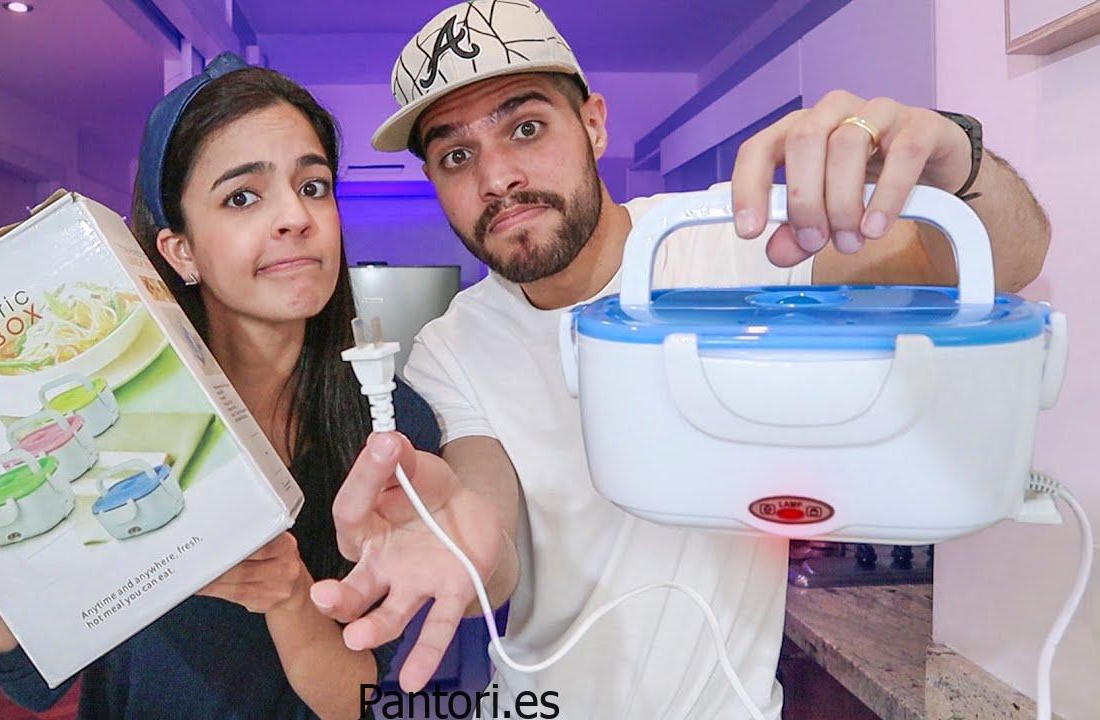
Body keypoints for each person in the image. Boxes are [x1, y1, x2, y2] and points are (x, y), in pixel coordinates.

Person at [308, 2, 1051, 717]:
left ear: (593, 123)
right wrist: (459, 546)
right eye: (456, 155)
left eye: (526, 127)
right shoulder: (452, 346)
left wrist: (957, 158)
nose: (496, 177)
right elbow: (489, 531)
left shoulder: (737, 244)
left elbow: (1005, 260)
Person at [0, 53, 439, 720]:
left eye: (313, 186)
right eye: (243, 196)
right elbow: (29, 679)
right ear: (180, 251)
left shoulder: (392, 426)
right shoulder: (116, 416)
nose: (295, 216)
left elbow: (360, 698)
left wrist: (288, 594)